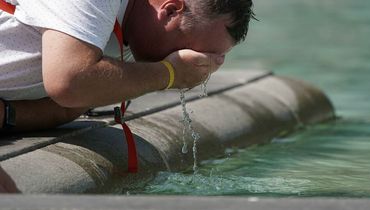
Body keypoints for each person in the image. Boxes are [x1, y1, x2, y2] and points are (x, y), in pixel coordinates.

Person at [0, 0, 254, 192]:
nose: (193, 63)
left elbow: (68, 106)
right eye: (188, 51)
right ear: (170, 10)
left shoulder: (127, 31)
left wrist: (7, 115)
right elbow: (70, 82)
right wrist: (169, 73)